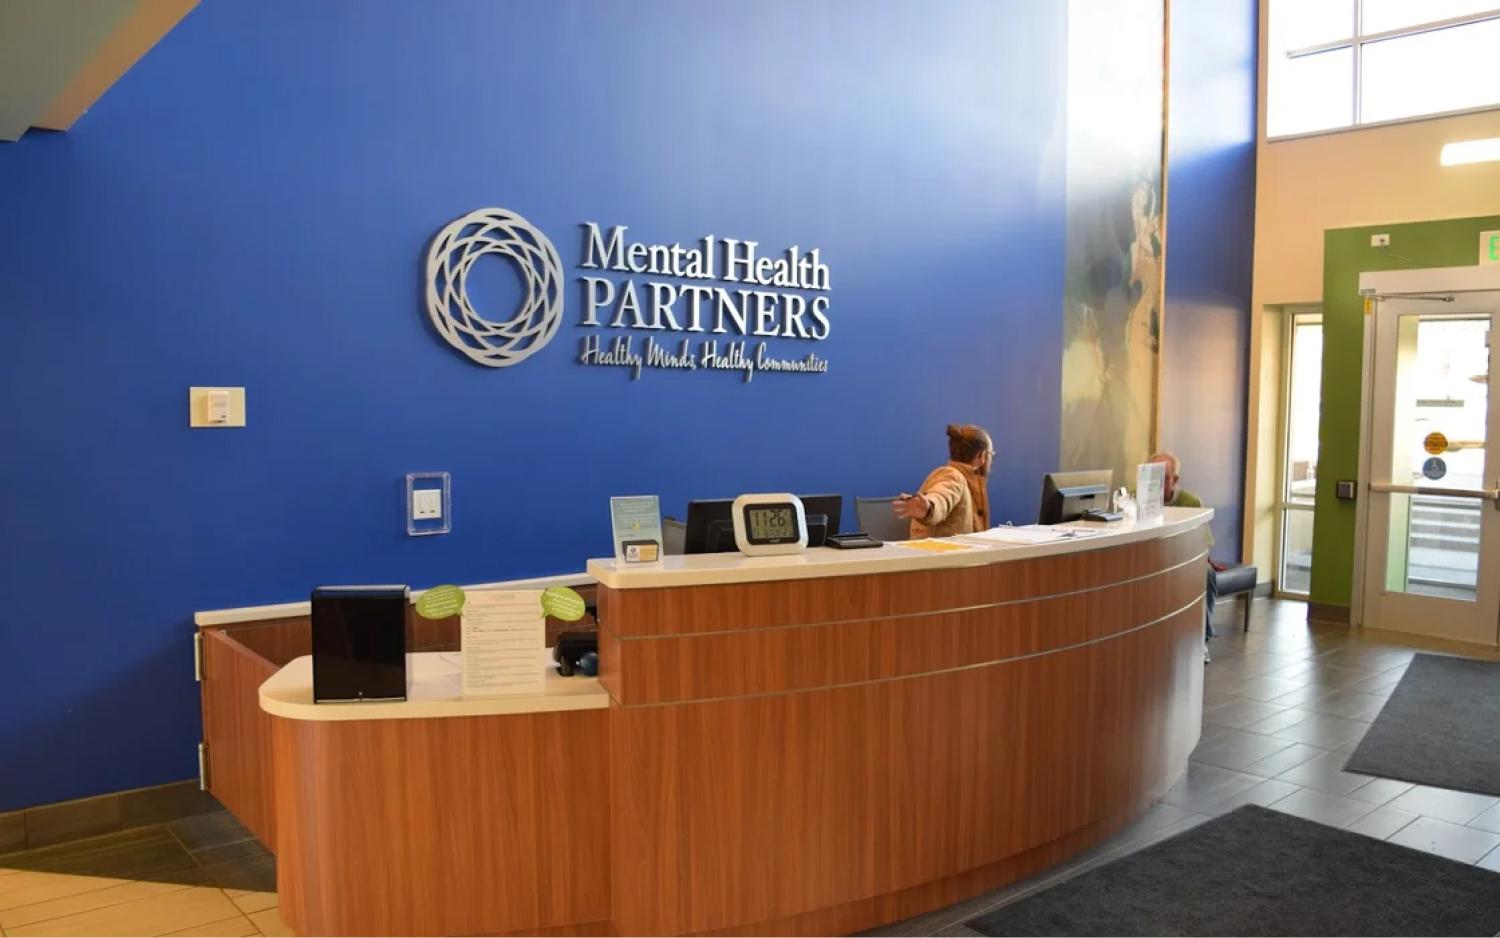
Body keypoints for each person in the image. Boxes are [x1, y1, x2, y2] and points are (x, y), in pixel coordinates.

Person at [1148, 452, 1224, 663]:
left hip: (1185, 559)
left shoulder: (1190, 502)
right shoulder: (1137, 499)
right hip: (1151, 561)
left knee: (1207, 575)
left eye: (1162, 478)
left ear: (1175, 480)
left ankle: (1202, 640)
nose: (1155, 483)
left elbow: (1202, 541)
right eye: (1150, 476)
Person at [892, 425, 993, 538]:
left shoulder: (961, 478)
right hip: (944, 554)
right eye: (991, 454)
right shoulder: (953, 476)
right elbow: (940, 497)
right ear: (982, 456)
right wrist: (930, 508)